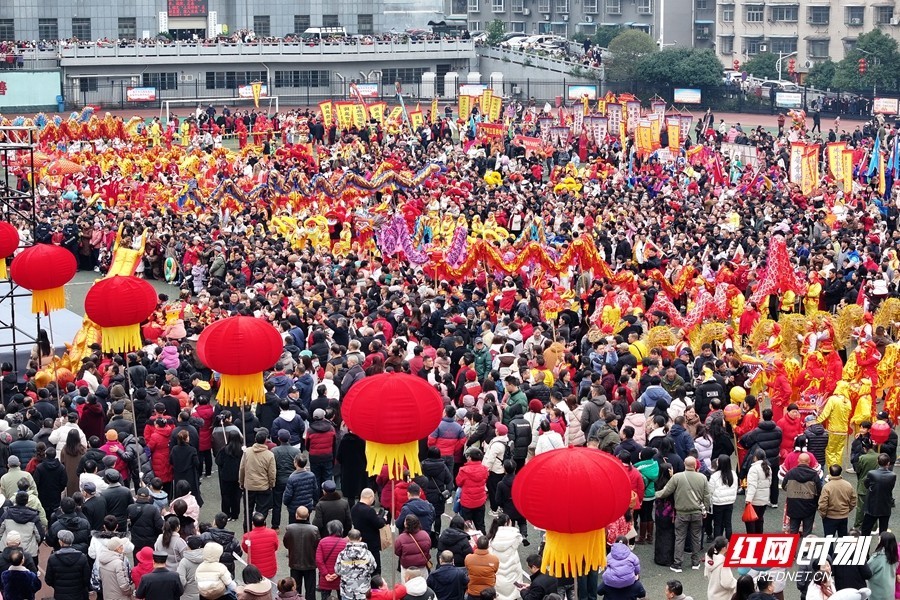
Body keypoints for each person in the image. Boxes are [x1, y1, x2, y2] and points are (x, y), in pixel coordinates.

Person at [655, 456, 710, 572]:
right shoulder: (703, 478)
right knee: (696, 537)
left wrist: (655, 494)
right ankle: (695, 562)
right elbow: (706, 496)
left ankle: (678, 563)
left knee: (680, 538)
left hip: (681, 513)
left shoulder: (677, 477)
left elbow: (666, 492)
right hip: (696, 512)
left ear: (684, 464)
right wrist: (705, 510)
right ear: (695, 465)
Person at [239, 430, 276, 526]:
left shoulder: (247, 452)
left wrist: (241, 482)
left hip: (249, 485)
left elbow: (242, 468)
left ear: (255, 439)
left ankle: (247, 531)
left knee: (247, 511)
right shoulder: (269, 454)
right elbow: (272, 473)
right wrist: (271, 484)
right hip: (263, 486)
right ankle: (260, 530)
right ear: (265, 441)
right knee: (262, 512)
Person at [486, 513, 527, 600]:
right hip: (512, 571)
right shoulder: (515, 535)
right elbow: (519, 539)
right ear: (506, 523)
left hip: (497, 573)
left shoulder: (491, 537)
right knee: (513, 592)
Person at [284, 506, 321, 600]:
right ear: (308, 515)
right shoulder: (314, 529)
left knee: (295, 589)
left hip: (294, 562)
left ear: (296, 515)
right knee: (310, 589)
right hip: (310, 562)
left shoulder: (290, 528)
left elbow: (286, 543)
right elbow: (317, 544)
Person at [782, 452, 822, 536]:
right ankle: (806, 548)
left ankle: (793, 548)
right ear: (809, 461)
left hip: (793, 505)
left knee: (793, 531)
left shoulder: (790, 473)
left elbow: (784, 486)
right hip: (809, 506)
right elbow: (819, 490)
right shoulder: (814, 474)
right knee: (807, 532)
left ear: (798, 461)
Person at [44, 529, 90, 600]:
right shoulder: (82, 557)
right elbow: (86, 579)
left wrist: (57, 586)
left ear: (61, 542)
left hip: (60, 595)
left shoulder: (53, 558)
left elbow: (48, 580)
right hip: (78, 594)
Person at [334, 529, 377, 600]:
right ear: (360, 539)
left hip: (347, 592)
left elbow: (337, 570)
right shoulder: (367, 554)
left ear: (348, 538)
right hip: (363, 591)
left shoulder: (342, 554)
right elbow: (372, 568)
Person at [272, 429, 301, 531]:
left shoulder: (274, 451)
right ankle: (291, 526)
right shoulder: (296, 451)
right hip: (292, 479)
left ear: (279, 439)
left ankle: (275, 526)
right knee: (293, 503)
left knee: (276, 504)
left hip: (278, 479)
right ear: (290, 438)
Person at [862, 453, 896, 535]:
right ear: (888, 463)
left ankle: (864, 547)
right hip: (885, 505)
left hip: (872, 505)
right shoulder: (893, 475)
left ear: (877, 462)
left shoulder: (871, 473)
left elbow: (866, 484)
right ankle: (883, 547)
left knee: (866, 530)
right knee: (883, 531)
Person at [456, 448, 489, 534]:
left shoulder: (463, 470)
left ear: (470, 458)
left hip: (467, 502)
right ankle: (483, 542)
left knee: (467, 526)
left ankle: (468, 543)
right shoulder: (485, 469)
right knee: (480, 524)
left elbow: (458, 483)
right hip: (480, 501)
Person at [817, 465, 856, 538]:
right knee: (843, 539)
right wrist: (847, 510)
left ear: (830, 473)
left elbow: (823, 504)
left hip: (830, 516)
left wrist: (823, 514)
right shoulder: (848, 485)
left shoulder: (827, 487)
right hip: (843, 516)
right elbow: (853, 500)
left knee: (828, 540)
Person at [241, 511, 280, 580]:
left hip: (254, 571)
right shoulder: (273, 533)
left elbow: (246, 550)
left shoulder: (247, 536)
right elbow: (275, 547)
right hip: (270, 569)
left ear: (253, 523)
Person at [215, 430, 244, 522]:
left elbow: (218, 461)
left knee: (226, 495)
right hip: (238, 476)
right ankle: (235, 514)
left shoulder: (224, 449)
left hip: (226, 476)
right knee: (236, 496)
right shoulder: (242, 450)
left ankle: (226, 514)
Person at [316, 521, 348, 600]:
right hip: (341, 576)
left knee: (325, 597)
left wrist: (325, 574)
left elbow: (319, 560)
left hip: (326, 577)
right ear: (341, 530)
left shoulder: (322, 542)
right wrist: (337, 574)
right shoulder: (345, 543)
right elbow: (347, 561)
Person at [707, 454, 737, 540]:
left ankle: (718, 543)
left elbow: (710, 491)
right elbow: (735, 487)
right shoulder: (733, 474)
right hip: (730, 502)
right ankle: (730, 541)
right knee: (728, 523)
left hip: (718, 503)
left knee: (718, 524)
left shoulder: (715, 476)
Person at [283, 454, 320, 524]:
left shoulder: (292, 478)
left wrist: (286, 502)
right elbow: (315, 491)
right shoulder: (311, 475)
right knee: (306, 524)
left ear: (296, 463)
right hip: (307, 506)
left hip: (294, 508)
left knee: (293, 527)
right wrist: (315, 502)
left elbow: (288, 495)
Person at [744, 449, 772, 534]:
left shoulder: (754, 469)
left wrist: (748, 499)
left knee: (750, 520)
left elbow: (752, 486)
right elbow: (769, 483)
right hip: (764, 499)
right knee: (759, 519)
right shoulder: (768, 467)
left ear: (755, 457)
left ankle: (751, 539)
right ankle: (759, 538)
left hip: (755, 500)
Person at [98, 536, 135, 600]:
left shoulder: (102, 560)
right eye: (121, 545)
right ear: (118, 548)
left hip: (107, 595)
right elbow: (124, 585)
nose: (123, 547)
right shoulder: (118, 563)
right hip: (119, 597)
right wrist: (130, 591)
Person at [866, 531, 897, 600]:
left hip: (877, 593)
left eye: (879, 539)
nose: (878, 539)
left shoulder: (877, 557)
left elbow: (867, 571)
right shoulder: (894, 556)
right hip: (889, 592)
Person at [177, 536, 204, 600]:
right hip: (203, 594)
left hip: (187, 595)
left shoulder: (184, 561)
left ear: (188, 546)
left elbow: (181, 581)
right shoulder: (205, 559)